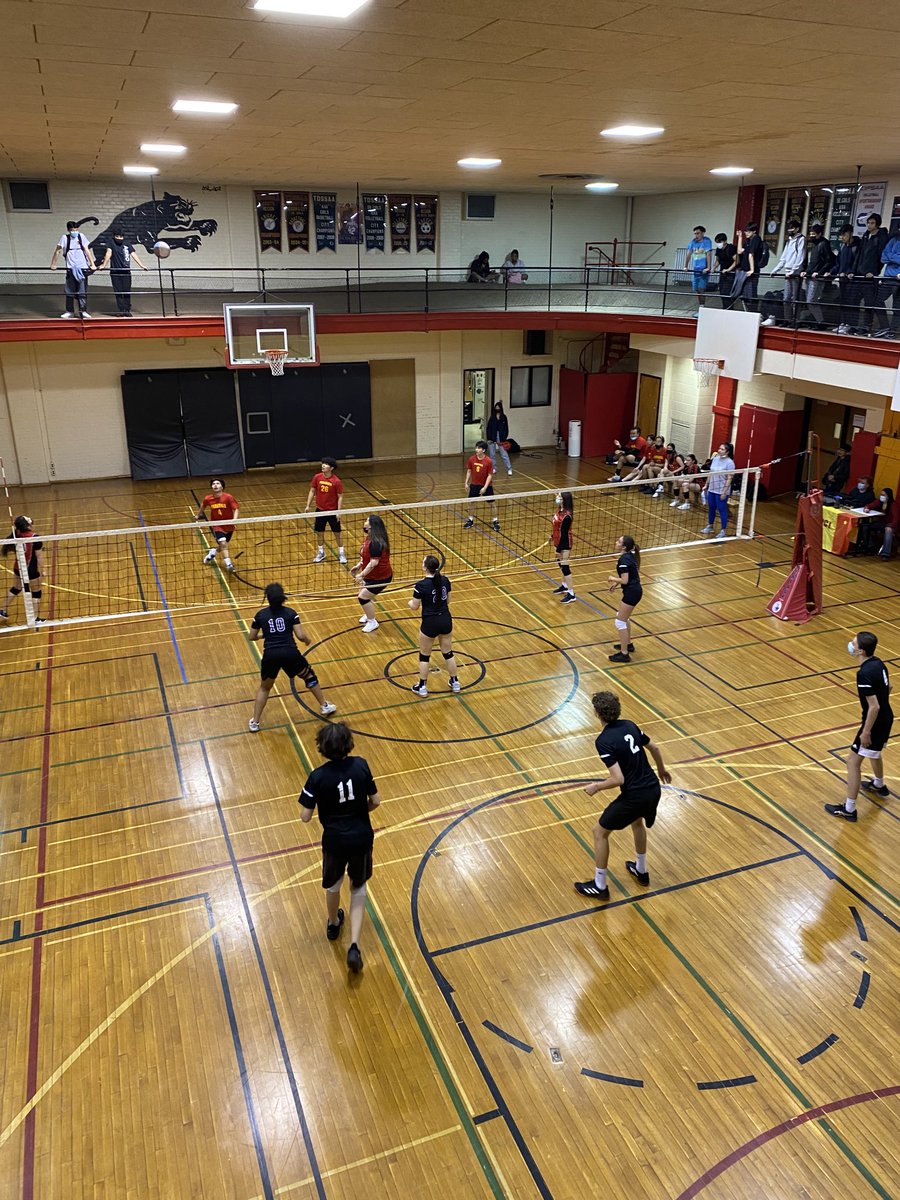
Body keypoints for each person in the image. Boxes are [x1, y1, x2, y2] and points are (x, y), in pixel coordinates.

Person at [299, 721, 381, 973]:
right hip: (361, 837)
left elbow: (305, 816)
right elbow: (375, 801)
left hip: (334, 840)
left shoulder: (318, 777)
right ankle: (354, 944)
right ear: (348, 743)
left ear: (322, 748)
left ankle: (334, 923)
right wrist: (358, 812)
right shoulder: (361, 765)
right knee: (358, 887)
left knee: (333, 885)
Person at [574, 690, 671, 901]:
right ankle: (641, 871)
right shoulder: (630, 725)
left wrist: (596, 787)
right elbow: (654, 747)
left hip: (635, 795)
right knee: (637, 822)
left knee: (599, 832)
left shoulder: (604, 740)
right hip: (653, 788)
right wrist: (662, 770)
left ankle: (600, 885)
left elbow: (618, 779)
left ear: (597, 713)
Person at [248, 582, 336, 731]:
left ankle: (255, 723)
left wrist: (267, 635)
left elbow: (252, 637)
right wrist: (307, 640)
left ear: (267, 598)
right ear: (283, 597)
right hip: (290, 654)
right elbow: (300, 636)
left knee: (264, 688)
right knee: (309, 677)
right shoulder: (291, 613)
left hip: (271, 656)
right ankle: (324, 706)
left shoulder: (260, 615)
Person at [825, 631, 892, 820]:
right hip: (886, 718)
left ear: (861, 651)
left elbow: (874, 706)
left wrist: (866, 731)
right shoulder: (878, 663)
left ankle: (849, 809)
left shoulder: (864, 674)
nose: (850, 645)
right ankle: (879, 785)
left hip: (876, 722)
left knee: (852, 762)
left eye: (853, 644)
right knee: (874, 753)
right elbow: (889, 688)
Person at [408, 555, 460, 695]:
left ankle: (422, 687)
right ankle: (455, 683)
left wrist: (410, 603)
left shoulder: (421, 585)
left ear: (425, 567)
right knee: (448, 654)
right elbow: (448, 601)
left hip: (430, 622)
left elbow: (414, 606)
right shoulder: (445, 580)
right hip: (445, 619)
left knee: (425, 656)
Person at [0, 515, 45, 624]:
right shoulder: (35, 537)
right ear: (26, 524)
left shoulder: (17, 534)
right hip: (31, 570)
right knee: (36, 592)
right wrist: (43, 570)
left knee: (16, 588)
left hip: (18, 567)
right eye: (27, 518)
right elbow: (39, 557)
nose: (30, 518)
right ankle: (34, 618)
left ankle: (2, 610)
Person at [352, 514, 392, 634]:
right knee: (363, 595)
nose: (364, 522)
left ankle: (372, 621)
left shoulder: (376, 542)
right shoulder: (370, 538)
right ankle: (368, 614)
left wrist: (361, 575)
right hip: (372, 575)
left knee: (363, 597)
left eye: (366, 521)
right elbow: (367, 557)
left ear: (371, 526)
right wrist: (359, 565)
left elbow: (374, 562)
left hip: (381, 577)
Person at [49, 220, 97, 319]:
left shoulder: (81, 236)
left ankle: (82, 311)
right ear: (68, 230)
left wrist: (92, 264)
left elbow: (87, 250)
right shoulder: (65, 238)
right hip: (70, 268)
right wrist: (53, 264)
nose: (74, 232)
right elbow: (58, 251)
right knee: (69, 290)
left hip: (82, 267)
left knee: (82, 290)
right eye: (72, 230)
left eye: (76, 229)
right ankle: (69, 311)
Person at [762, 219, 805, 327]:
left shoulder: (801, 239)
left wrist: (793, 271)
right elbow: (783, 258)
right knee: (786, 298)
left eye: (792, 228)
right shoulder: (789, 241)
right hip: (787, 272)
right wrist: (775, 270)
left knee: (795, 299)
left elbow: (800, 257)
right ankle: (787, 319)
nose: (790, 230)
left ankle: (795, 321)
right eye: (789, 228)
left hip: (795, 273)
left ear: (797, 229)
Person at [95, 228, 148, 316]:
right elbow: (108, 253)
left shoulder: (126, 243)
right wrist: (104, 265)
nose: (119, 238)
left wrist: (141, 265)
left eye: (121, 236)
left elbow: (133, 253)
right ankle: (121, 310)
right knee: (118, 291)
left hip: (126, 271)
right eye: (117, 236)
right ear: (114, 236)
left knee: (126, 291)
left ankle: (127, 310)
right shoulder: (111, 242)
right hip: (115, 272)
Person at [607, 534, 642, 663]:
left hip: (632, 592)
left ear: (624, 547)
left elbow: (625, 580)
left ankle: (624, 653)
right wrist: (616, 584)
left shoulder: (624, 560)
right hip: (634, 591)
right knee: (622, 617)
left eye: (619, 541)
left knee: (620, 621)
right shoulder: (628, 556)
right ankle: (628, 644)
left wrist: (613, 579)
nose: (616, 542)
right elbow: (630, 575)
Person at [305, 457, 346, 564]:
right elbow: (312, 490)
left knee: (337, 533)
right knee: (319, 532)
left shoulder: (336, 481)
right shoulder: (317, 477)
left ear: (331, 468)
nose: (323, 465)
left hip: (332, 511)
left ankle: (341, 553)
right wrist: (308, 505)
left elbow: (340, 497)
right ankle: (321, 552)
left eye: (326, 464)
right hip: (320, 510)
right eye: (323, 463)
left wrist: (338, 512)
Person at [854, 213, 890, 335]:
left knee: (871, 301)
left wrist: (874, 272)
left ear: (877, 224)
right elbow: (859, 254)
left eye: (872, 223)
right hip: (861, 272)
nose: (869, 225)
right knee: (859, 300)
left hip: (871, 275)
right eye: (868, 223)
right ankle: (862, 325)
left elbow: (881, 257)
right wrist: (855, 270)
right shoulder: (865, 236)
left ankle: (869, 326)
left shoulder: (882, 237)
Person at [196, 477, 239, 571]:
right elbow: (203, 507)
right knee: (223, 543)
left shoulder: (228, 497)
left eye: (218, 483)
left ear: (222, 487)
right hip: (217, 525)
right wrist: (197, 515)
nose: (215, 485)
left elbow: (236, 508)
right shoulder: (208, 498)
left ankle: (213, 552)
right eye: (213, 484)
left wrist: (234, 520)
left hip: (229, 525)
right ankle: (229, 564)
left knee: (223, 545)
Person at [800, 223, 835, 328]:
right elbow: (813, 262)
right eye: (810, 233)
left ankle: (821, 321)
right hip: (810, 276)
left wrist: (819, 272)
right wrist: (806, 271)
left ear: (819, 234)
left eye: (814, 233)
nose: (811, 236)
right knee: (810, 301)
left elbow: (829, 261)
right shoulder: (815, 245)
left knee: (811, 300)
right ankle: (818, 320)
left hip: (817, 278)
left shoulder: (824, 244)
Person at [830, 225, 861, 334]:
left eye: (844, 235)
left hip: (853, 280)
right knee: (843, 302)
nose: (842, 237)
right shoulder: (843, 247)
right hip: (842, 279)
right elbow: (838, 263)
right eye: (841, 235)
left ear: (850, 233)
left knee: (852, 303)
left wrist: (849, 272)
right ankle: (843, 323)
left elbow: (857, 263)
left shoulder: (857, 246)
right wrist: (831, 272)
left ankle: (851, 325)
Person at [701, 442, 735, 539]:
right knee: (711, 508)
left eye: (722, 449)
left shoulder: (730, 463)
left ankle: (723, 530)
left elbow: (729, 478)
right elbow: (711, 473)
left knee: (721, 509)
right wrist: (706, 485)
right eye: (719, 448)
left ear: (727, 452)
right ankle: (710, 526)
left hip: (721, 490)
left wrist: (724, 491)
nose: (719, 450)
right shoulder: (715, 459)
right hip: (712, 488)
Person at [463, 440, 499, 531]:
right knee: (472, 503)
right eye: (476, 447)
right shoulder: (472, 459)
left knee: (492, 504)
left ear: (483, 450)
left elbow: (490, 475)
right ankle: (470, 520)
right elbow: (469, 471)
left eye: (479, 448)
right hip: (474, 485)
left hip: (486, 486)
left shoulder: (488, 461)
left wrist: (485, 488)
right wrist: (466, 483)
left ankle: (495, 521)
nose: (476, 449)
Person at [729, 223, 765, 312]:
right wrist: (740, 237)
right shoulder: (748, 240)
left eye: (748, 231)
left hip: (752, 271)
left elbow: (751, 255)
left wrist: (752, 269)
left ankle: (753, 313)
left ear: (754, 231)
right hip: (745, 271)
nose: (746, 233)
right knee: (745, 294)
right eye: (746, 231)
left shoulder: (756, 239)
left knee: (751, 294)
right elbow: (739, 251)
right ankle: (747, 312)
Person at [873, 226, 900, 339]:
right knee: (877, 301)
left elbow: (888, 256)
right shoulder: (893, 240)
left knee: (897, 306)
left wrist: (891, 256)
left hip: (898, 279)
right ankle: (885, 326)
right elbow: (883, 258)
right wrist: (896, 257)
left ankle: (892, 331)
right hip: (887, 277)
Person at [550, 491, 575, 603]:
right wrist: (552, 536)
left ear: (564, 500)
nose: (557, 497)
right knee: (561, 564)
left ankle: (571, 593)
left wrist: (559, 549)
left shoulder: (567, 516)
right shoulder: (560, 511)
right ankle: (564, 586)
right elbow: (557, 527)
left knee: (565, 567)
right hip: (558, 540)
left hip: (564, 543)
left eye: (559, 496)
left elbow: (564, 534)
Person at [687, 225, 713, 309]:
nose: (696, 235)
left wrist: (708, 267)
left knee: (701, 289)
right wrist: (685, 266)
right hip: (696, 270)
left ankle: (702, 308)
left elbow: (708, 254)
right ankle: (700, 306)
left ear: (702, 233)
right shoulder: (693, 242)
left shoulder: (707, 241)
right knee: (697, 289)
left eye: (698, 233)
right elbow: (689, 254)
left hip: (703, 270)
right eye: (695, 234)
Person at [486, 401, 513, 476]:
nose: (497, 410)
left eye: (498, 408)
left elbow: (506, 428)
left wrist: (504, 437)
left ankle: (509, 469)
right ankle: (494, 468)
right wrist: (489, 438)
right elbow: (488, 428)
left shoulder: (504, 417)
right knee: (492, 454)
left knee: (504, 454)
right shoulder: (492, 417)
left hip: (501, 438)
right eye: (496, 408)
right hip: (492, 437)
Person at [714, 232, 737, 304]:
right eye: (717, 242)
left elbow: (737, 261)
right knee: (722, 291)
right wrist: (713, 267)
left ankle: (729, 308)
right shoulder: (718, 249)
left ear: (725, 241)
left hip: (731, 274)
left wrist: (728, 269)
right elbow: (718, 260)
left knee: (727, 292)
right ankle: (725, 307)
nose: (718, 244)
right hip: (722, 273)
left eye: (720, 242)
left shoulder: (731, 248)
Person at [877, 488, 899, 559]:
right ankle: (869, 546)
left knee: (888, 530)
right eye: (881, 494)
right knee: (866, 526)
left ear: (888, 496)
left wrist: (890, 525)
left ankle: (885, 554)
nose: (881, 496)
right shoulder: (880, 502)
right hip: (882, 523)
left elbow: (896, 518)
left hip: (891, 525)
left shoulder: (893, 505)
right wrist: (867, 507)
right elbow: (871, 505)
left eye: (883, 495)